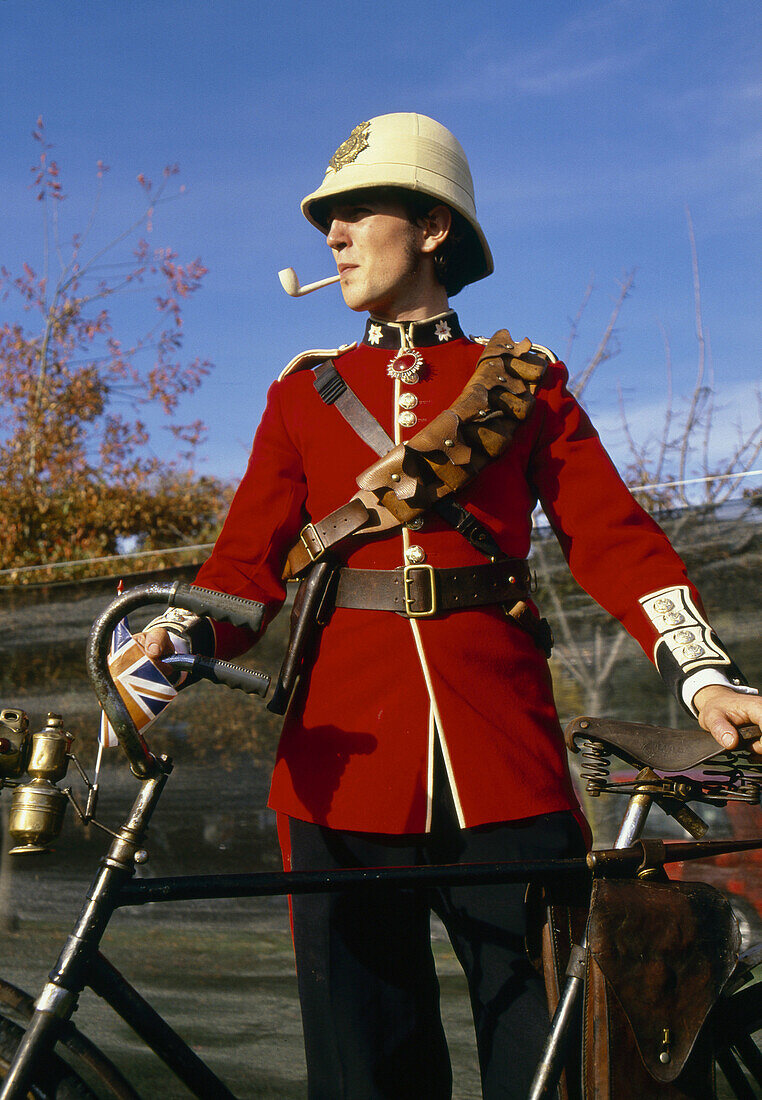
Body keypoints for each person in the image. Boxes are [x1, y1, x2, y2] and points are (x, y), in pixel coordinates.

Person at [137, 113, 762, 1098]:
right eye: (325, 221)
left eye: (353, 211)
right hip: (335, 771)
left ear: (432, 227)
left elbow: (615, 540)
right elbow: (242, 577)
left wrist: (704, 674)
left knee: (550, 1058)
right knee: (363, 1062)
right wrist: (146, 668)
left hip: (502, 760)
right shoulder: (303, 396)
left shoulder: (526, 387)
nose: (332, 235)